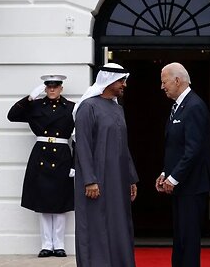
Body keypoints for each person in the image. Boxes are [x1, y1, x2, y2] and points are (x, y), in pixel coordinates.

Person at [73, 63, 138, 267]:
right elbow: (82, 146)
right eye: (121, 81)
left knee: (118, 223)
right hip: (96, 181)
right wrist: (90, 180)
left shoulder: (117, 108)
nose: (124, 85)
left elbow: (123, 146)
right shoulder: (88, 107)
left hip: (117, 180)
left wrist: (131, 178)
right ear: (108, 80)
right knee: (96, 225)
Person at [155, 62, 210, 267]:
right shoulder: (179, 106)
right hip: (182, 184)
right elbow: (175, 147)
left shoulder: (194, 106)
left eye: (164, 82)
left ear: (177, 80)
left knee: (189, 238)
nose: (162, 87)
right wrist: (166, 173)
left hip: (192, 184)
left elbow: (193, 150)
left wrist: (174, 177)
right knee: (180, 236)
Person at [7, 75, 75, 258]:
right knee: (43, 201)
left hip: (62, 155)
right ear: (45, 88)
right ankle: (46, 244)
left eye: (56, 86)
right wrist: (29, 98)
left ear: (61, 88)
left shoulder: (71, 108)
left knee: (60, 202)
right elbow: (12, 116)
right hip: (41, 155)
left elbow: (77, 138)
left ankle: (59, 244)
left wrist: (75, 163)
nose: (52, 89)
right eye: (49, 86)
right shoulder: (35, 106)